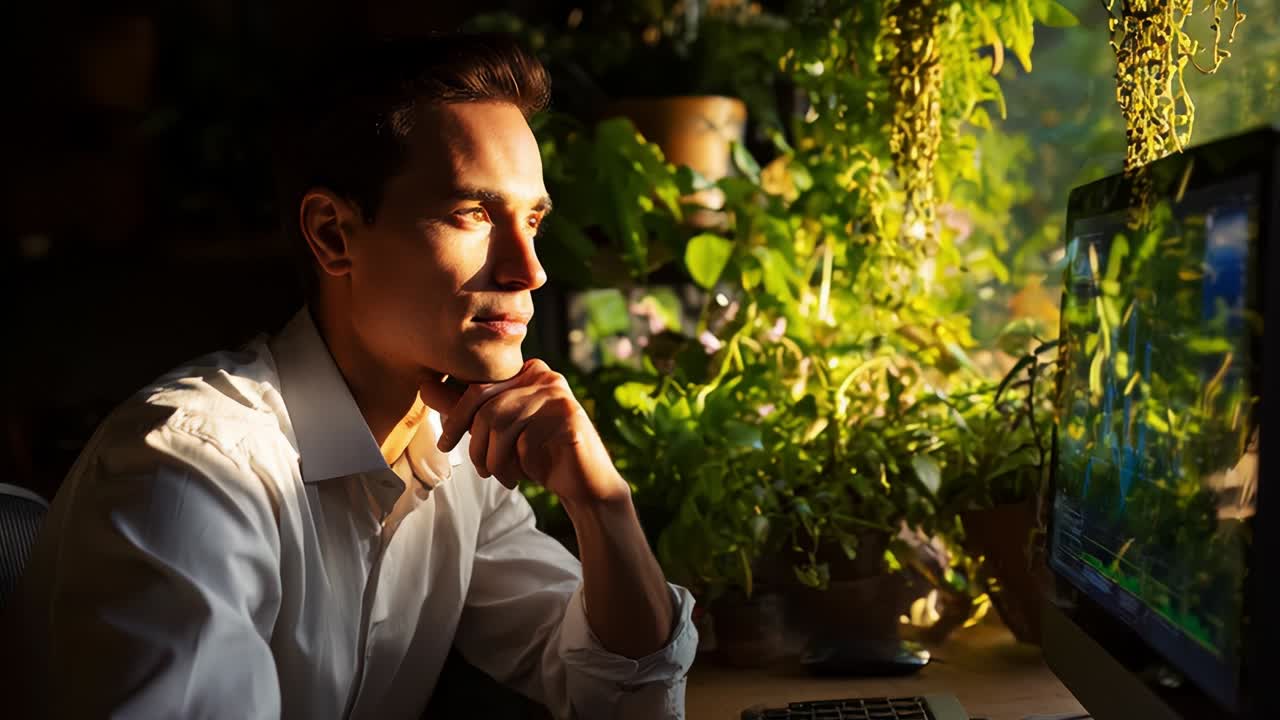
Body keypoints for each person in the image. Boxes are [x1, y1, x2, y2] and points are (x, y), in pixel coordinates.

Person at [3, 34, 697, 719]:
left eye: (533, 221)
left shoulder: (452, 458)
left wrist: (604, 506)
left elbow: (620, 694)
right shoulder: (191, 470)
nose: (530, 269)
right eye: (474, 214)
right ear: (333, 235)